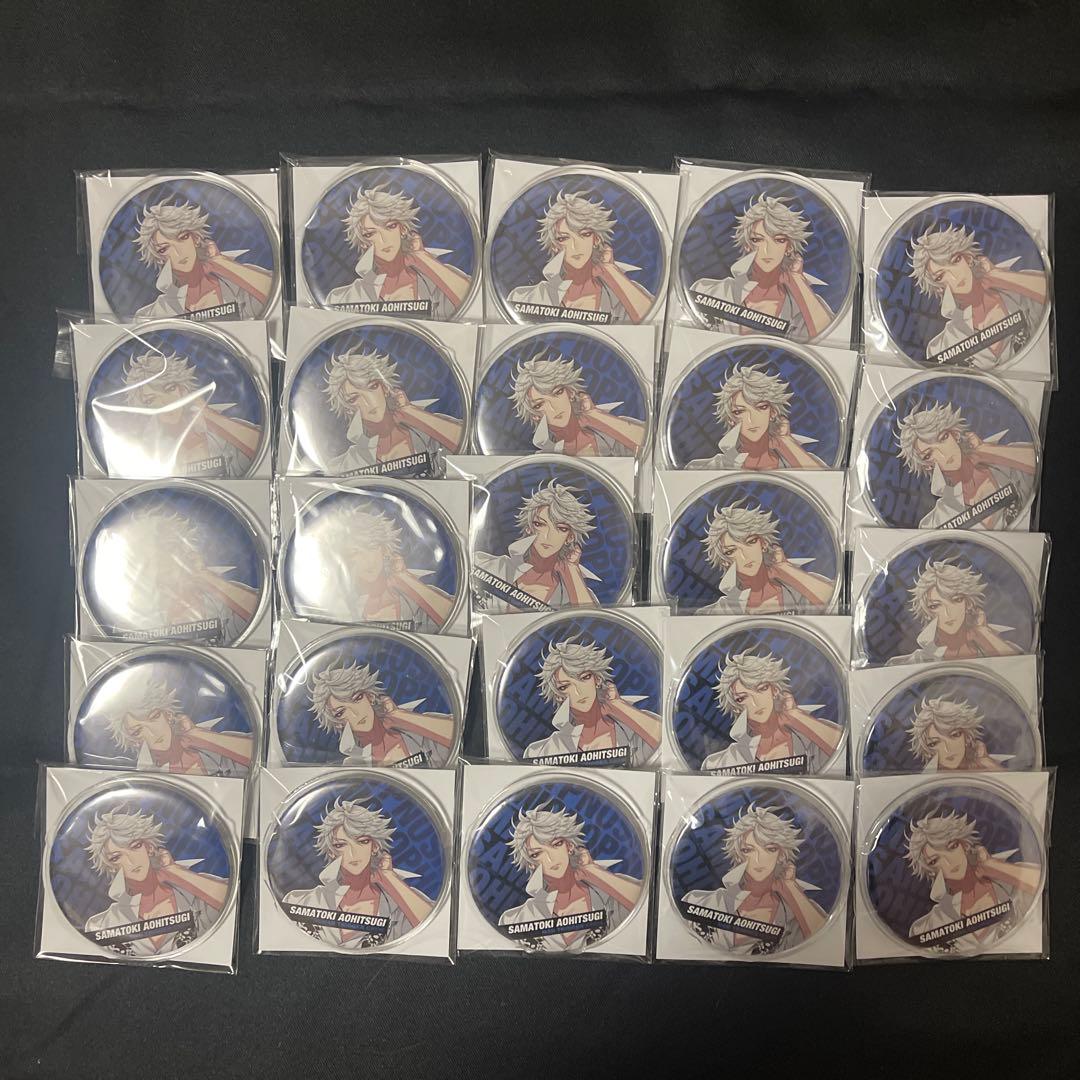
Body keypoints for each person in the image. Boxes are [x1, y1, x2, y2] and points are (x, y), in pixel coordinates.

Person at [282, 799, 434, 949]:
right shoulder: (303, 901)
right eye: (341, 845)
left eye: (362, 841)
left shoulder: (400, 904)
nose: (353, 854)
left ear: (375, 846)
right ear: (331, 852)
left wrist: (389, 877)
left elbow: (434, 927)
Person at [680, 805, 827, 953]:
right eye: (748, 850)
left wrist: (791, 888)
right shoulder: (702, 902)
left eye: (770, 849)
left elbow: (825, 943)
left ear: (781, 855)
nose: (758, 859)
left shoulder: (797, 913)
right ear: (739, 856)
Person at [84, 807, 229, 956]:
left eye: (135, 846)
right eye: (116, 857)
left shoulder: (197, 893)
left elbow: (232, 902)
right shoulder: (102, 924)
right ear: (110, 866)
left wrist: (174, 871)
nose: (131, 861)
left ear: (150, 847)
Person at [498, 803, 642, 952]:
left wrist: (593, 871)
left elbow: (645, 905)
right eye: (537, 854)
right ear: (531, 863)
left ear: (570, 846)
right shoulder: (517, 918)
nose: (551, 859)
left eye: (556, 844)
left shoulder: (612, 893)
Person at [689, 196, 835, 341]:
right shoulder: (712, 292)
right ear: (747, 245)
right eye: (757, 239)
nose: (767, 250)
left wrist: (798, 281)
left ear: (789, 247)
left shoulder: (806, 306)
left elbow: (830, 339)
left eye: (779, 240)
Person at [99, 350, 260, 477]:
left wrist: (210, 416)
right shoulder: (138, 450)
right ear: (144, 408)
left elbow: (261, 451)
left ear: (183, 390)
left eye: (170, 389)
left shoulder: (217, 430)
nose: (166, 402)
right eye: (150, 399)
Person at [909, 225, 1048, 368]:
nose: (955, 275)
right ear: (938, 288)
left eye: (956, 260)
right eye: (941, 276)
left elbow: (1050, 291)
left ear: (968, 258)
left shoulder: (1021, 292)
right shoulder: (941, 346)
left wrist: (998, 275)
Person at [507, 191, 654, 324]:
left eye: (585, 234)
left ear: (596, 239)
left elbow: (653, 320)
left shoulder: (624, 295)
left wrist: (610, 270)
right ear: (555, 246)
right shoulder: (526, 298)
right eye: (564, 238)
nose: (575, 246)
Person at [114, 509, 260, 643]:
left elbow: (263, 618)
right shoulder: (131, 611)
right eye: (169, 547)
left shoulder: (220, 595)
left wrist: (208, 578)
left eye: (183, 544)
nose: (186, 552)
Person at [905, 810, 1041, 952]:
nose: (949, 862)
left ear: (965, 845)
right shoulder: (926, 927)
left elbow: (1044, 884)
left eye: (952, 846)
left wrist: (993, 867)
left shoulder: (1014, 880)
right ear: (930, 870)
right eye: (935, 860)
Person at [326, 186, 471, 319]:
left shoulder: (440, 279)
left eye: (390, 226)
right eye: (370, 234)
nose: (384, 240)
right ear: (364, 242)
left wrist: (422, 257)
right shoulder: (343, 298)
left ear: (403, 229)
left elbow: (473, 303)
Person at [322, 347, 463, 473]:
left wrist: (411, 412)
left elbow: (468, 445)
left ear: (385, 388)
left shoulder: (430, 428)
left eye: (372, 387)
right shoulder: (345, 465)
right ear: (348, 409)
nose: (369, 402)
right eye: (354, 398)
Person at [896, 401, 1036, 528]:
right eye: (929, 454)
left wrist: (985, 450)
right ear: (927, 465)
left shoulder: (1008, 463)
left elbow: (1038, 462)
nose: (944, 454)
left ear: (955, 435)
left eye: (943, 438)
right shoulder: (936, 521)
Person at [700, 651, 842, 773]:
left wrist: (796, 716)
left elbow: (848, 754)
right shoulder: (720, 763)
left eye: (762, 688)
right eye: (743, 698)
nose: (756, 703)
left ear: (774, 690)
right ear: (736, 706)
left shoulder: (817, 734)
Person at [523, 639, 660, 765]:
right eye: (565, 686)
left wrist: (618, 705)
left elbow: (665, 742)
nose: (579, 692)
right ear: (559, 695)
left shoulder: (639, 727)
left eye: (584, 677)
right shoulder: (540, 752)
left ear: (597, 679)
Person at [133, 200, 273, 319]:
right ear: (159, 258)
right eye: (164, 249)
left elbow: (276, 296)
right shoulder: (153, 313)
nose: (178, 253)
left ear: (196, 238)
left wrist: (221, 262)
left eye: (183, 238)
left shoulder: (241, 281)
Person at [474, 482, 601, 612]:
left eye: (561, 528)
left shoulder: (577, 593)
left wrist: (572, 569)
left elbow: (593, 622)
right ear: (529, 527)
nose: (548, 536)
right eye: (540, 524)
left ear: (570, 537)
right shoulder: (489, 567)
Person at [326, 506, 455, 633]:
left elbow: (456, 618)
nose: (369, 561)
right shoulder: (336, 604)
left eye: (373, 548)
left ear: (385, 550)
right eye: (355, 552)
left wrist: (405, 579)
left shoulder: (416, 598)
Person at [308, 659, 454, 767]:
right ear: (338, 723)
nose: (356, 713)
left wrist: (399, 716)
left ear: (370, 697)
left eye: (357, 698)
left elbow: (460, 737)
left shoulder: (421, 728)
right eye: (341, 712)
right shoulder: (353, 764)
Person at [698, 502, 835, 614]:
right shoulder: (719, 610)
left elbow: (835, 600)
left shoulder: (802, 587)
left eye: (751, 542)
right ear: (724, 561)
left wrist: (784, 568)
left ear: (763, 543)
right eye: (731, 551)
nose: (744, 556)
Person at [103, 676, 253, 776]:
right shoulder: (146, 777)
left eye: (154, 717)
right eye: (137, 731)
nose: (153, 733)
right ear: (133, 741)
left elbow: (257, 756)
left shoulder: (210, 744)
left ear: (168, 715)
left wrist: (198, 734)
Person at [688, 363, 825, 469]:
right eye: (739, 411)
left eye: (761, 407)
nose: (751, 420)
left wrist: (786, 441)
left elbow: (828, 488)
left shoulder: (803, 460)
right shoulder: (708, 467)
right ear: (731, 419)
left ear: (773, 412)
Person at [510, 353, 645, 457]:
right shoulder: (543, 458)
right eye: (539, 405)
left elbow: (650, 448)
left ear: (570, 393)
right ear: (535, 415)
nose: (553, 408)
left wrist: (594, 415)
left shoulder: (613, 428)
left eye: (558, 393)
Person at [891, 560, 1022, 664]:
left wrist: (983, 632)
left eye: (956, 600)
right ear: (927, 612)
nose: (948, 614)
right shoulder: (911, 662)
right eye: (935, 606)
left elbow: (1021, 669)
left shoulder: (1001, 647)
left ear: (968, 603)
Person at [906, 697, 1009, 772]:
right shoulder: (928, 777)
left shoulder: (982, 761)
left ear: (967, 737)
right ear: (927, 751)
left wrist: (986, 761)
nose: (947, 750)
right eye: (934, 743)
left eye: (955, 735)